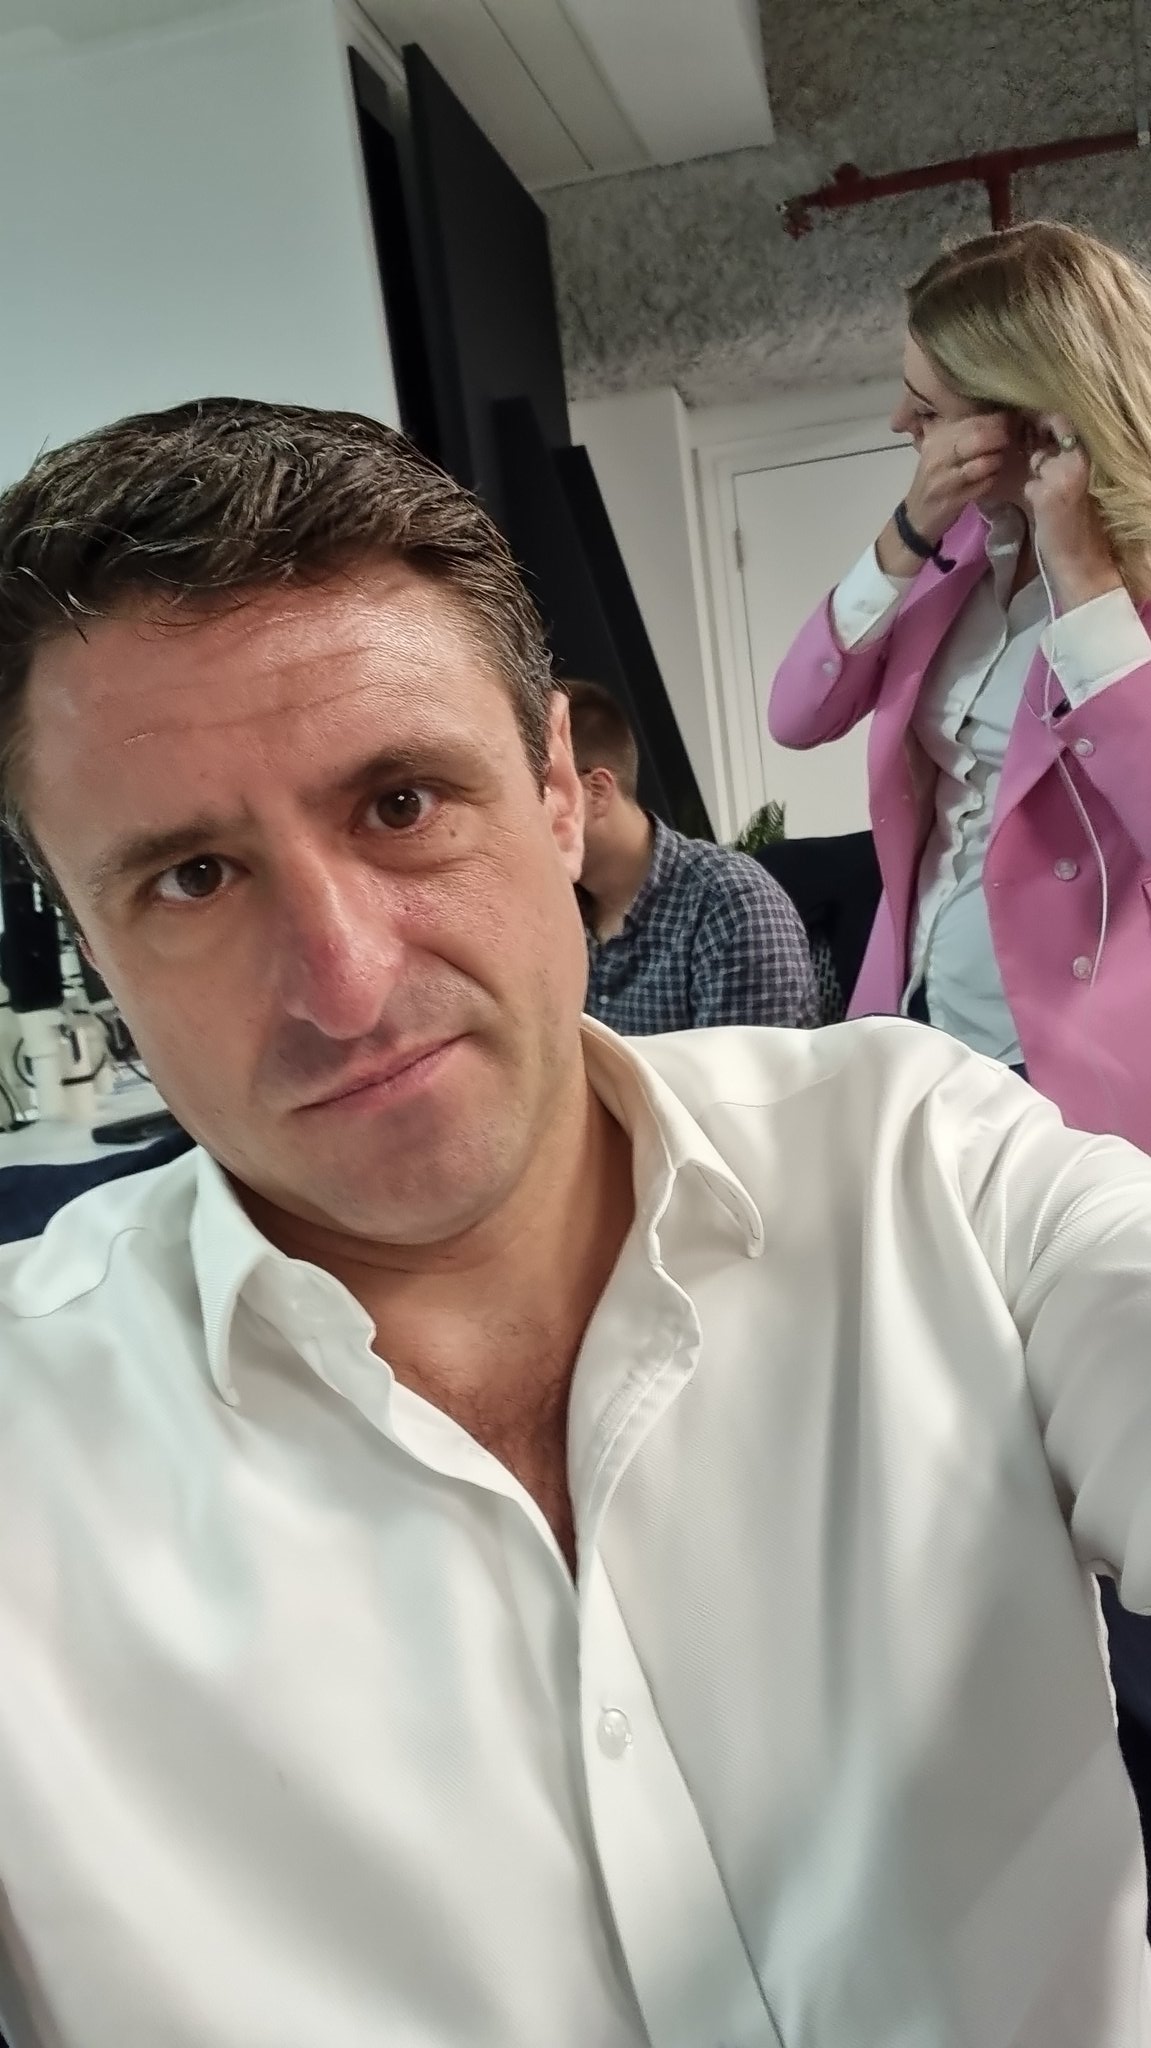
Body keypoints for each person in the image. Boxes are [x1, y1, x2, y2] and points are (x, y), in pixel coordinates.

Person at [0, 399, 1150, 2048]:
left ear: (557, 788)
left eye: (402, 803)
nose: (346, 983)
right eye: (190, 877)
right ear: (83, 938)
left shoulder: (921, 1166)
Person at [770, 219, 1151, 1149]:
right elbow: (797, 714)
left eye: (927, 408)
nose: (899, 424)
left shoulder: (1127, 580)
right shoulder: (958, 547)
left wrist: (1084, 582)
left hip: (1068, 1066)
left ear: (1036, 417)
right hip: (914, 1017)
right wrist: (906, 529)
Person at [568, 679, 818, 1033]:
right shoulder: (558, 908)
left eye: (532, 794)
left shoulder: (730, 904)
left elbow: (742, 1070)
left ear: (596, 790)